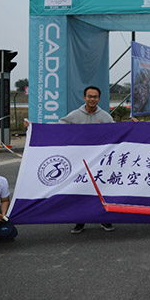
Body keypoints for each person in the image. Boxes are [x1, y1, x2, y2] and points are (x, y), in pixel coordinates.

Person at [59, 85, 115, 234]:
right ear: (84, 97)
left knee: (101, 190)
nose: (92, 99)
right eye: (89, 96)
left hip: (99, 162)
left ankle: (104, 218)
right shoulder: (74, 115)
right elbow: (57, 128)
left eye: (95, 97)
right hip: (80, 162)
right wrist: (34, 127)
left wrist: (134, 126)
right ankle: (80, 221)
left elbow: (117, 133)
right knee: (80, 191)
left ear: (99, 99)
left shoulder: (105, 117)